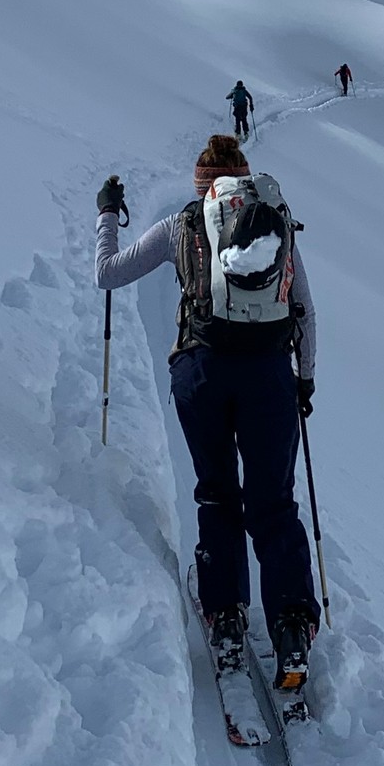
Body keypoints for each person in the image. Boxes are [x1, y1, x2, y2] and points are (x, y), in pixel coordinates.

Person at [97, 137, 320, 686]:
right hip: (269, 376)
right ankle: (291, 624)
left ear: (204, 186)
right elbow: (305, 311)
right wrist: (304, 380)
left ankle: (225, 616)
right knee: (274, 499)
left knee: (217, 489)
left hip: (201, 371)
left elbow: (108, 274)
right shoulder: (276, 224)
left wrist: (107, 215)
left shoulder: (182, 225)